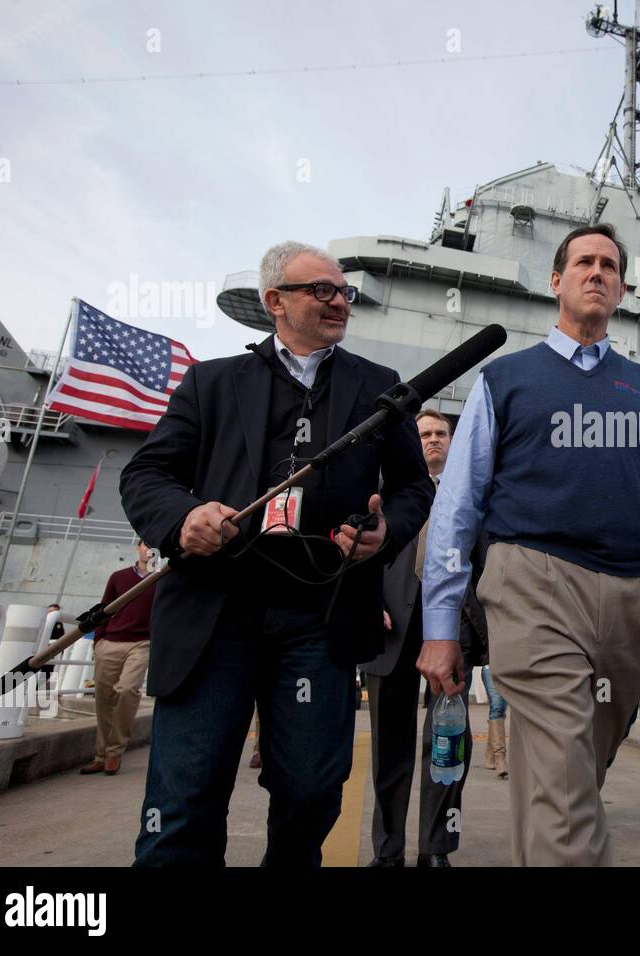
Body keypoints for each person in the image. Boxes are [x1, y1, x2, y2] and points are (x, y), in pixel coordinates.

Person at [421, 223, 640, 865]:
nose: (596, 271)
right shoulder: (504, 381)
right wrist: (440, 625)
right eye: (583, 262)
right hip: (533, 583)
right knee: (566, 790)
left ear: (622, 288)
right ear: (556, 281)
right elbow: (456, 511)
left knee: (573, 777)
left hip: (631, 600)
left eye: (609, 265)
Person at [120, 240, 433, 866]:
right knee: (182, 802)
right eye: (322, 290)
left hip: (319, 617)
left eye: (344, 292)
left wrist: (383, 534)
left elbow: (412, 488)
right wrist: (184, 517)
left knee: (312, 792)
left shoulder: (381, 388)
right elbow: (147, 474)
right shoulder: (208, 383)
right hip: (215, 611)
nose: (339, 301)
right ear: (275, 302)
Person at [364, 408, 486, 868]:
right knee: (388, 747)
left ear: (452, 442)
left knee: (449, 741)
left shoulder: (473, 493)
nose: (433, 440)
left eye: (440, 433)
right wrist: (367, 605)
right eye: (424, 434)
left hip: (452, 628)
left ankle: (436, 848)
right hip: (389, 625)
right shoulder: (380, 493)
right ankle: (387, 850)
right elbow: (360, 557)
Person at [78, 543, 156, 776]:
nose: (149, 550)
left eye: (154, 547)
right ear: (138, 548)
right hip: (110, 642)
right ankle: (100, 756)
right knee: (104, 697)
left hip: (142, 643)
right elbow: (104, 609)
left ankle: (114, 752)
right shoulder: (118, 577)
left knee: (127, 689)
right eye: (145, 545)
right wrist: (99, 641)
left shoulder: (162, 578)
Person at [481, 665, 508, 779]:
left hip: (512, 665)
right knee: (497, 706)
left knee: (500, 707)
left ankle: (490, 755)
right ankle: (500, 758)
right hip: (490, 664)